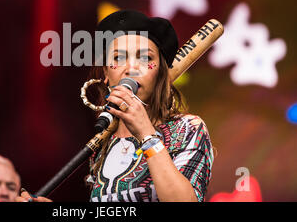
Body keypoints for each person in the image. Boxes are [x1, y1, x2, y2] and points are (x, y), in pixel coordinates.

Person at [84, 10, 214, 202]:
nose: (131, 68)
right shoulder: (102, 144)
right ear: (106, 72)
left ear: (160, 72)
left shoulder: (187, 129)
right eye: (118, 58)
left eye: (145, 58)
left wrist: (147, 135)